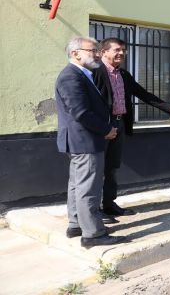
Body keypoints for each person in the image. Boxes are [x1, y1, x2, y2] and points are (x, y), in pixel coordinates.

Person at [93, 38, 170, 222]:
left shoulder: (123, 75)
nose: (121, 53)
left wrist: (169, 108)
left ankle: (108, 204)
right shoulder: (95, 73)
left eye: (123, 50)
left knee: (112, 167)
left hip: (119, 124)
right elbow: (90, 103)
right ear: (104, 52)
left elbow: (144, 94)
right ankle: (95, 209)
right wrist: (103, 127)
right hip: (102, 127)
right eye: (116, 49)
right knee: (97, 169)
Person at [55, 36, 125, 248]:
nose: (96, 53)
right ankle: (93, 235)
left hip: (81, 140)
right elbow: (81, 112)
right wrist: (107, 130)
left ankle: (76, 224)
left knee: (77, 185)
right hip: (85, 141)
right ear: (76, 53)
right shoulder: (71, 76)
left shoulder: (83, 74)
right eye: (92, 50)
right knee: (88, 188)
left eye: (97, 50)